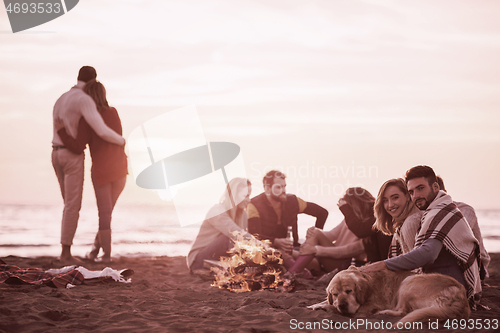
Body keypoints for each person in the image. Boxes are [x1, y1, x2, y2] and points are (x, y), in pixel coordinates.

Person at [362, 165, 482, 308]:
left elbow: (426, 255)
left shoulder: (436, 214)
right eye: (412, 191)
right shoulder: (432, 212)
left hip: (446, 290)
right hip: (440, 286)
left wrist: (383, 264)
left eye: (420, 188)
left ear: (436, 187)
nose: (416, 195)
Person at [52, 66, 125, 264]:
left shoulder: (62, 99)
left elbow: (80, 139)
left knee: (75, 205)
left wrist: (62, 132)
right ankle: (78, 252)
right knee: (87, 209)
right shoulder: (92, 104)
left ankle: (96, 251)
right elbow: (102, 131)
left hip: (59, 154)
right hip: (102, 163)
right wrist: (121, 141)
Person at [286, 187, 392, 276]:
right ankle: (302, 274)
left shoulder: (367, 225)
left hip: (342, 264)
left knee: (314, 237)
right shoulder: (350, 220)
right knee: (284, 253)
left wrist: (316, 249)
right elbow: (331, 235)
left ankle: (292, 274)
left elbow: (347, 250)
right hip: (328, 258)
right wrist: (314, 231)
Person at [247, 170, 328, 256]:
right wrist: (275, 242)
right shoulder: (253, 205)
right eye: (278, 187)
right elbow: (254, 236)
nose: (283, 190)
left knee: (317, 259)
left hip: (294, 248)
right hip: (268, 252)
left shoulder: (293, 201)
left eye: (284, 186)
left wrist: (313, 239)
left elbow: (322, 213)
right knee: (313, 263)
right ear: (267, 189)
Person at [187, 178, 254, 271]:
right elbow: (236, 233)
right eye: (245, 196)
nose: (249, 200)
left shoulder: (243, 214)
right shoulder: (217, 211)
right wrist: (264, 247)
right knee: (231, 239)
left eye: (249, 196)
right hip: (198, 260)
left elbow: (245, 242)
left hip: (220, 259)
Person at [436, 176, 490, 278]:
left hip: (477, 263)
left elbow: (457, 233)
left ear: (445, 192)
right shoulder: (428, 213)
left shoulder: (464, 209)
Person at [373, 178, 422, 258]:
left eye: (395, 198)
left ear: (408, 196)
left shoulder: (411, 222)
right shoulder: (401, 225)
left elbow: (416, 263)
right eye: (385, 200)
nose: (390, 205)